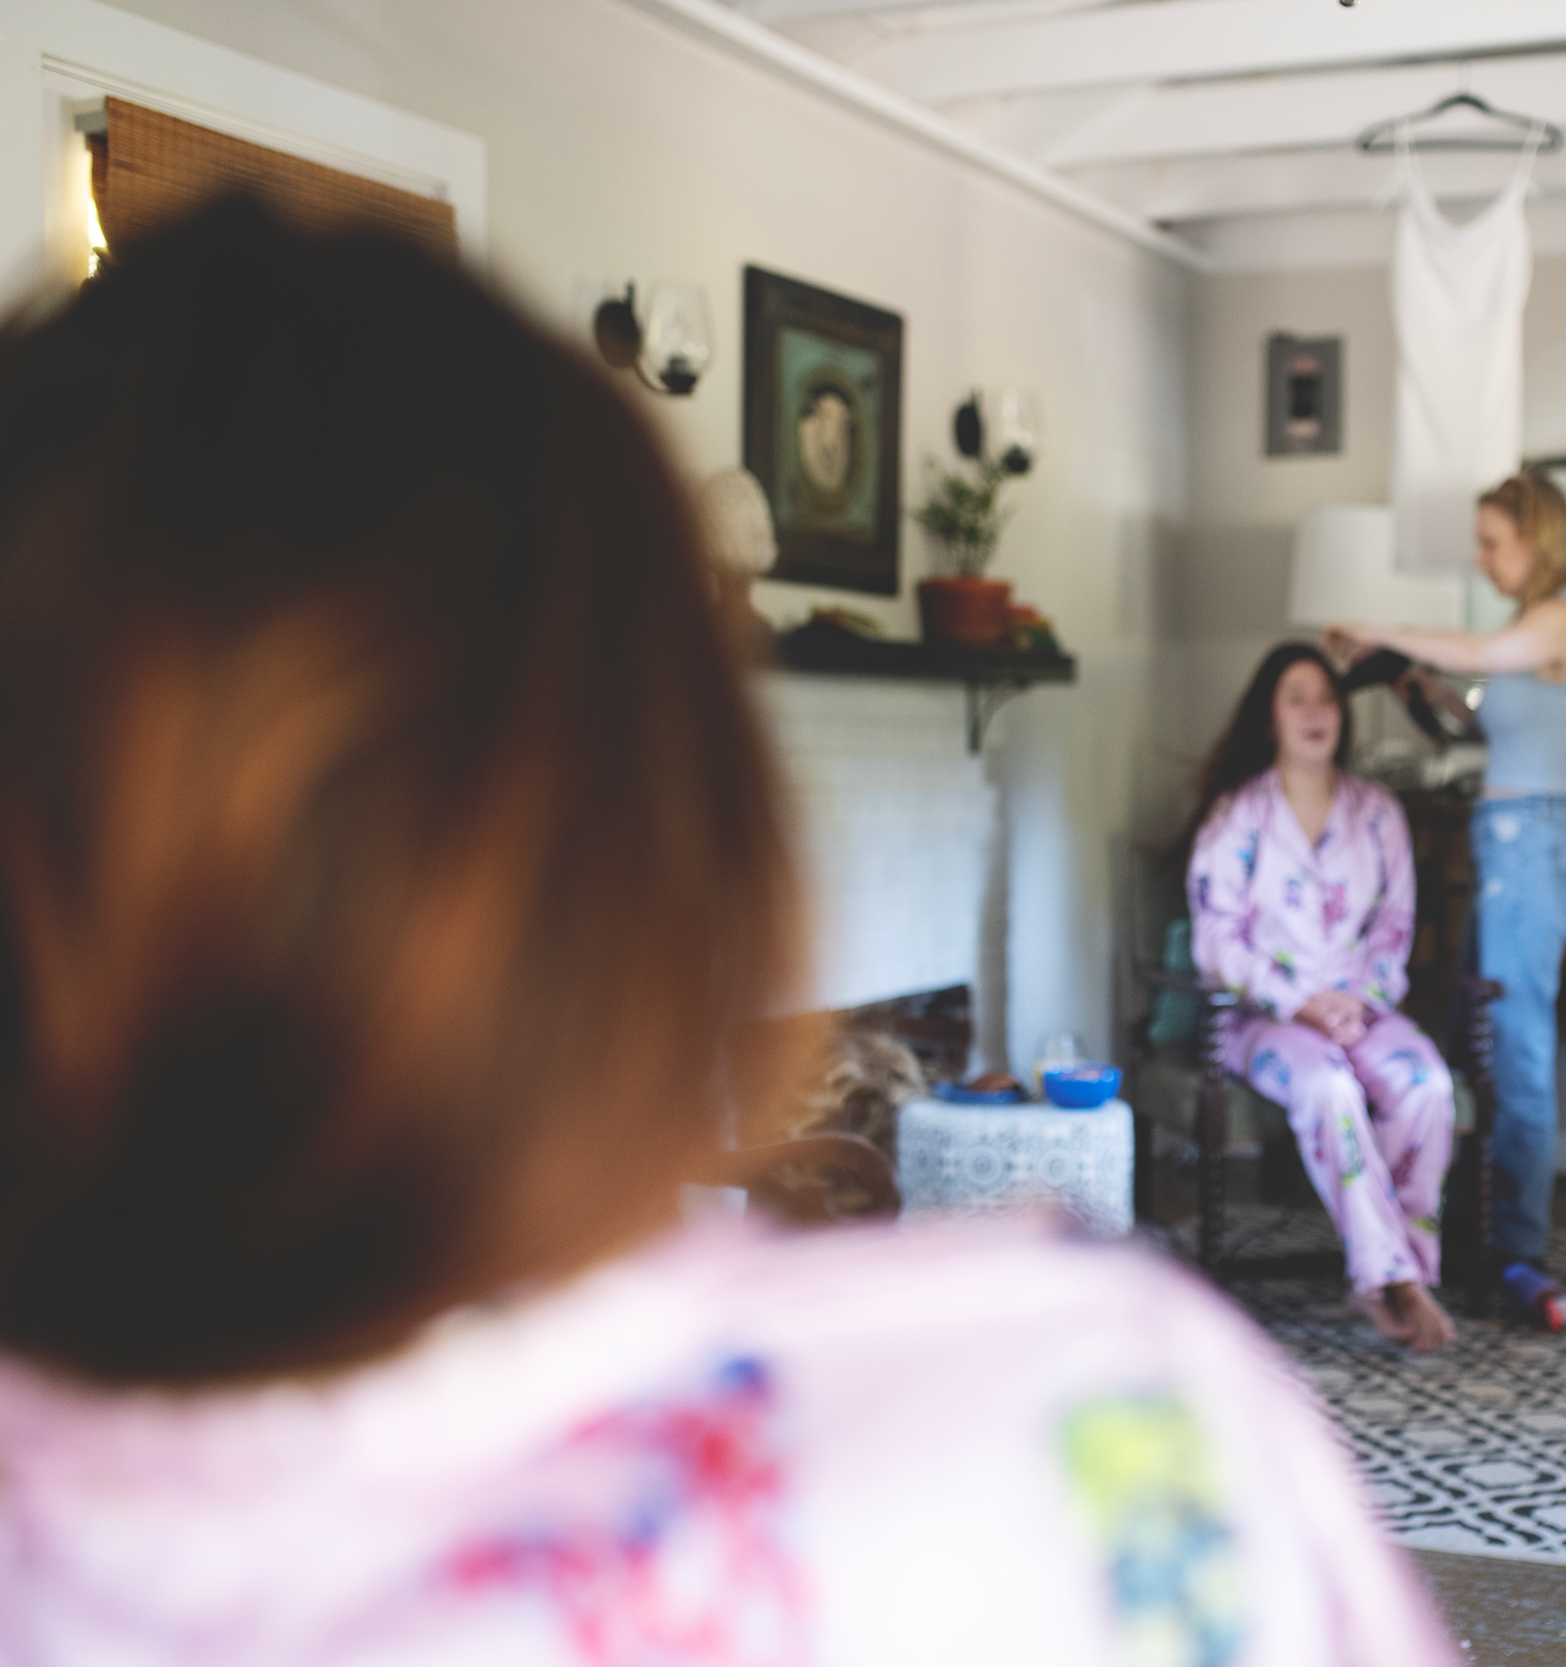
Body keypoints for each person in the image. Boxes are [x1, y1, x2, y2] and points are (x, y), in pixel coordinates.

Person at [0, 201, 1459, 1667]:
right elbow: (1230, 936)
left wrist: (1398, 896)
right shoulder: (1101, 1421)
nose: (1320, 711)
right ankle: (1383, 1262)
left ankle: (1417, 1257)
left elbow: (1547, 798)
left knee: (1429, 1074)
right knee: (1355, 1077)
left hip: (1410, 962)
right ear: (695, 839)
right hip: (1303, 1006)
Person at [1328, 471, 1566, 1289]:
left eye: (1492, 542)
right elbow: (1500, 724)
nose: (1483, 560)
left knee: (1514, 1048)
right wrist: (1437, 696)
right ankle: (1455, 1222)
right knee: (1465, 1039)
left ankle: (1520, 1247)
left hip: (1532, 850)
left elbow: (1480, 652)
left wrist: (1380, 630)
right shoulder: (1533, 627)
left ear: (1535, 538)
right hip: (1503, 848)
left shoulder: (1565, 618)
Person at [1185, 643, 1460, 1351]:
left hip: (1363, 1009)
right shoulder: (1239, 815)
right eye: (1296, 697)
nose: (1316, 712)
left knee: (1427, 1084)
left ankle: (1399, 1274)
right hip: (1264, 1019)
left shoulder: (1379, 813)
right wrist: (1301, 1001)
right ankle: (1394, 1284)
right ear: (1270, 717)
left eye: (1327, 697)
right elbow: (1215, 941)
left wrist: (1356, 1001)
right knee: (1330, 1088)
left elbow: (1396, 928)